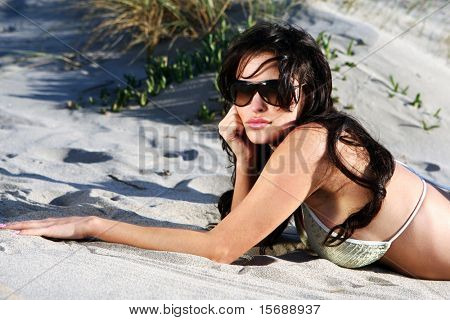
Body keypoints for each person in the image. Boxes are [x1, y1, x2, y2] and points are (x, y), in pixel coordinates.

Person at [1, 22, 449, 280]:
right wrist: (244, 154)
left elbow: (221, 249)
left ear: (306, 93)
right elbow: (244, 236)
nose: (255, 105)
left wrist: (92, 223)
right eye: (242, 89)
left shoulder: (313, 143)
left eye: (271, 90)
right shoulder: (287, 145)